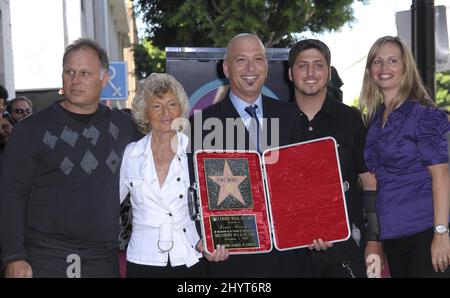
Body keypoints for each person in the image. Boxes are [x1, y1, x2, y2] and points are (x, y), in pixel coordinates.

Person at [0, 38, 141, 278]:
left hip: (103, 259)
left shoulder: (125, 127)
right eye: (69, 72)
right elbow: (11, 195)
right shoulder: (31, 129)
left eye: (85, 73)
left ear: (104, 79)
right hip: (45, 257)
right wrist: (14, 256)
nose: (75, 80)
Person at [190, 33, 310, 278]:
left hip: (289, 256)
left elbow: (304, 181)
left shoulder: (291, 116)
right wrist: (204, 237)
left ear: (266, 66)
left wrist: (317, 225)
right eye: (241, 60)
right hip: (234, 257)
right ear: (226, 67)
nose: (250, 68)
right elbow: (194, 190)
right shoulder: (202, 124)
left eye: (258, 59)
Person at [287, 39, 383, 278]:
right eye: (303, 66)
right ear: (290, 73)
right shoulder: (276, 121)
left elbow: (371, 183)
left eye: (318, 65)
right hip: (289, 253)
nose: (311, 73)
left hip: (346, 249)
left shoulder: (352, 120)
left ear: (328, 73)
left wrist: (374, 241)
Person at [119, 73, 228, 278]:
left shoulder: (198, 150)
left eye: (171, 104)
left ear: (181, 108)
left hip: (190, 256)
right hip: (143, 259)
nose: (166, 113)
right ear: (145, 112)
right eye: (156, 106)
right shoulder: (131, 154)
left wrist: (212, 242)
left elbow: (219, 205)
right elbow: (108, 205)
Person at [360, 36, 450, 277]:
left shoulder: (423, 116)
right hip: (393, 235)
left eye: (392, 61)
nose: (384, 68)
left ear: (405, 68)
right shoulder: (375, 120)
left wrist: (441, 232)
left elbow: (441, 174)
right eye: (377, 61)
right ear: (370, 71)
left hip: (425, 231)